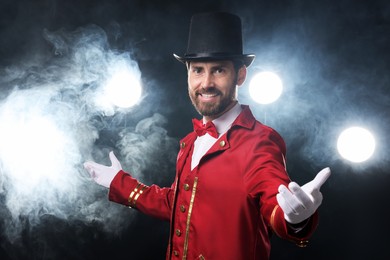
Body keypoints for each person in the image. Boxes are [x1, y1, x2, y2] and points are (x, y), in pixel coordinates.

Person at [84, 12, 331, 260]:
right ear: (188, 74)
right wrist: (119, 182)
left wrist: (295, 220)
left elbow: (274, 201)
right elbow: (178, 204)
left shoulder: (259, 141)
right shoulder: (190, 142)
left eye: (219, 70)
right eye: (198, 71)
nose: (206, 83)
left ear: (240, 75)